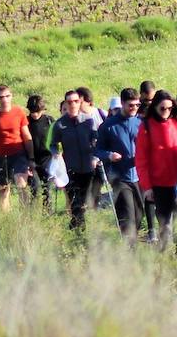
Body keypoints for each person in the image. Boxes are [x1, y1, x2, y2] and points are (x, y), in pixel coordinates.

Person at [137, 90, 177, 248]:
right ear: (155, 106)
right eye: (162, 108)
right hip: (159, 184)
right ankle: (166, 256)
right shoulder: (146, 126)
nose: (166, 112)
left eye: (169, 108)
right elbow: (141, 159)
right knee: (165, 225)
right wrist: (147, 186)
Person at [96, 87, 145, 241]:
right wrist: (109, 155)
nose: (134, 108)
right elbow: (98, 150)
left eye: (137, 105)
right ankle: (128, 249)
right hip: (119, 177)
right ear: (122, 103)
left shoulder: (141, 123)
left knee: (138, 214)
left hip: (139, 176)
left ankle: (132, 242)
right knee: (127, 213)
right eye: (131, 105)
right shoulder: (108, 126)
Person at [49, 89, 98, 232]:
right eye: (69, 102)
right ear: (66, 103)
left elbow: (97, 140)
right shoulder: (60, 124)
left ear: (80, 102)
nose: (73, 104)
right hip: (70, 168)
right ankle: (79, 231)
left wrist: (95, 156)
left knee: (84, 201)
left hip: (89, 168)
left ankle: (75, 227)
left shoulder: (89, 121)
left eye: (76, 101)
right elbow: (53, 144)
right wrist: (55, 153)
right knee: (75, 201)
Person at [0, 84, 33, 212]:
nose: (4, 99)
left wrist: (31, 157)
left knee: (21, 184)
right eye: (1, 97)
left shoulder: (18, 112)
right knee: (3, 189)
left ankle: (25, 216)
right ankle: (5, 219)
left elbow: (26, 135)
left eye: (7, 96)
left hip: (18, 153)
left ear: (11, 96)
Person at [25, 94, 55, 211]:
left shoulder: (49, 121)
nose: (34, 114)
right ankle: (32, 213)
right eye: (32, 111)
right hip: (31, 161)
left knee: (47, 189)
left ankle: (48, 213)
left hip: (47, 159)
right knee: (35, 189)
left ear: (42, 109)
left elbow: (56, 139)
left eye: (37, 111)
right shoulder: (26, 122)